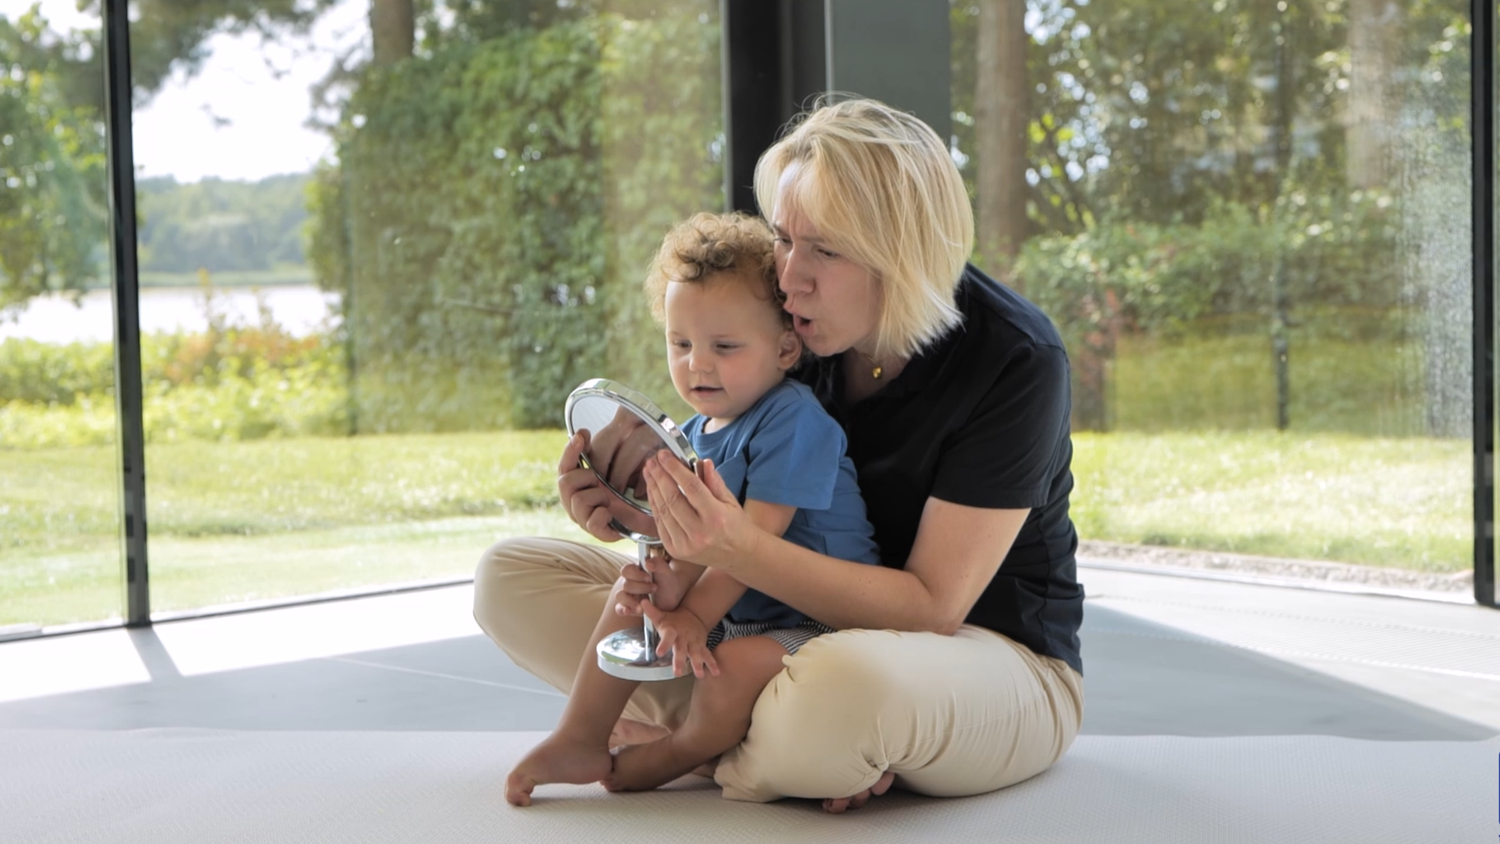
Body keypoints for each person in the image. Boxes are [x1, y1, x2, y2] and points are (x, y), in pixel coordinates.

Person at [476, 96, 1084, 812]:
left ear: (903, 253)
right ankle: (794, 746)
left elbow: (930, 610)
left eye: (824, 250)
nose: (790, 276)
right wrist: (643, 516)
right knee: (511, 577)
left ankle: (739, 740)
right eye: (785, 238)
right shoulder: (797, 325)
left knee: (841, 687)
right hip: (768, 629)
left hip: (980, 653)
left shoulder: (1015, 358)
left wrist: (725, 552)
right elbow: (737, 499)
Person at [502, 212, 881, 807]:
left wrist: (695, 617)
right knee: (631, 593)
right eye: (680, 344)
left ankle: (681, 751)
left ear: (785, 347)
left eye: (724, 347)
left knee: (730, 670)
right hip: (742, 613)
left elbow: (750, 541)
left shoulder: (794, 419)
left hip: (821, 623)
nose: (697, 365)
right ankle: (579, 735)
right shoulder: (697, 433)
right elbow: (683, 537)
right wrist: (621, 520)